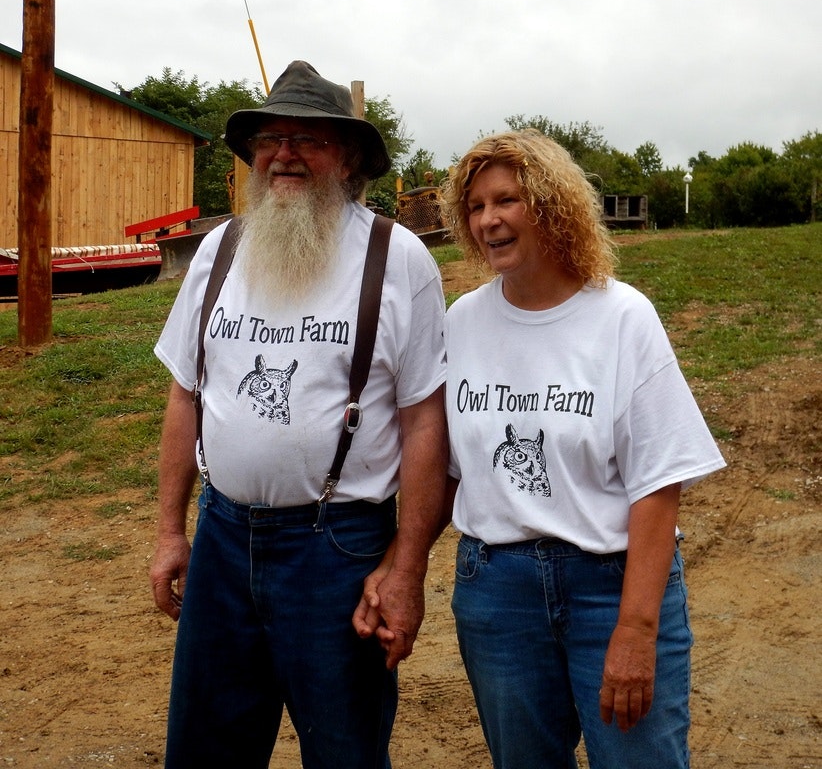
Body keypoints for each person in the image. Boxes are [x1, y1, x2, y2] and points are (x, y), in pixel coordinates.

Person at [149, 59, 448, 769]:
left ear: (346, 157)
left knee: (345, 750)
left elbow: (425, 424)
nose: (283, 153)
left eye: (307, 139)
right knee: (206, 749)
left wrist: (406, 569)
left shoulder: (396, 257)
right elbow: (185, 395)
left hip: (337, 549)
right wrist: (169, 532)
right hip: (221, 539)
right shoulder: (219, 250)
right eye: (269, 139)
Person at [438, 129, 726, 769]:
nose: (489, 220)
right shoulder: (462, 323)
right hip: (497, 591)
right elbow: (450, 473)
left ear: (550, 205)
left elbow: (659, 482)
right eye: (477, 206)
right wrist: (396, 568)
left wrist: (635, 628)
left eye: (507, 200)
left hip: (610, 583)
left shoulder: (622, 317)